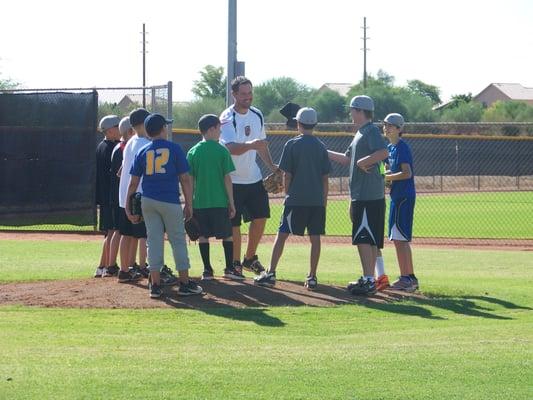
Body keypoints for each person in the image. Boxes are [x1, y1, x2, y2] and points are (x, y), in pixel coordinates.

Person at [126, 113, 203, 298]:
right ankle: (184, 284)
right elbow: (185, 178)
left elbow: (133, 183)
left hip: (148, 201)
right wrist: (189, 204)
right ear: (163, 129)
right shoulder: (174, 149)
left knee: (153, 241)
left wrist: (129, 207)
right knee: (177, 241)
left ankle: (156, 286)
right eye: (165, 126)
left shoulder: (142, 151)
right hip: (169, 201)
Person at [254, 107, 331, 290]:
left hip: (295, 200)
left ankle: (271, 273)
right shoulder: (321, 147)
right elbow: (325, 178)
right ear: (315, 124)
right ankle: (312, 277)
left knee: (282, 236)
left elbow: (286, 175)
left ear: (298, 123)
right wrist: (324, 201)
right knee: (315, 238)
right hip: (316, 202)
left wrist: (286, 193)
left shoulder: (292, 144)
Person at [327, 95, 388, 295]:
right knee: (368, 238)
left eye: (352, 109)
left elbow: (383, 152)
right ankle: (369, 278)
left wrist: (364, 161)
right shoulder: (360, 133)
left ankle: (369, 280)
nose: (350, 113)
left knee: (363, 238)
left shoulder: (370, 130)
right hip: (362, 194)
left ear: (360, 111)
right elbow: (346, 160)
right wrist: (322, 150)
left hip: (368, 195)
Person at [219, 76, 278, 276]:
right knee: (234, 224)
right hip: (232, 180)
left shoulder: (257, 114)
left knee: (261, 217)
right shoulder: (227, 117)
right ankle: (235, 263)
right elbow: (230, 148)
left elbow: (262, 145)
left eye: (250, 93)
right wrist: (251, 145)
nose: (247, 97)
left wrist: (272, 167)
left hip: (253, 177)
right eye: (243, 93)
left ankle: (249, 258)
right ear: (234, 94)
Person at [187, 114, 239, 280]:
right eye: (219, 129)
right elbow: (227, 179)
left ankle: (207, 270)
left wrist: (189, 203)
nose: (220, 132)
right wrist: (231, 203)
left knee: (203, 236)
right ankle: (229, 268)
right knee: (227, 234)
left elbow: (190, 181)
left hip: (200, 203)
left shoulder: (193, 152)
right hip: (219, 202)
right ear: (211, 129)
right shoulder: (222, 150)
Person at [383, 113, 418, 292]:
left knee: (400, 239)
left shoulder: (402, 147)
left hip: (404, 196)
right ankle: (409, 277)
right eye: (385, 124)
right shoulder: (390, 148)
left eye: (390, 125)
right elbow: (390, 171)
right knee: (399, 239)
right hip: (397, 196)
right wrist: (387, 176)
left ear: (399, 129)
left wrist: (387, 177)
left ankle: (406, 278)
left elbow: (407, 173)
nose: (386, 127)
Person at [117, 108, 150, 283]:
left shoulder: (130, 142)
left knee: (127, 233)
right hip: (138, 194)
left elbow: (121, 170)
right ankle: (144, 267)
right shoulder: (143, 143)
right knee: (144, 234)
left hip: (125, 195)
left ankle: (124, 270)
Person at [105, 116, 134, 277]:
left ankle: (117, 265)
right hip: (121, 196)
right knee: (120, 231)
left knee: (119, 231)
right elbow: (120, 174)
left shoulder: (121, 147)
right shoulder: (124, 147)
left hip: (119, 195)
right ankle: (112, 265)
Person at [94, 115, 120, 278]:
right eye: (117, 126)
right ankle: (109, 267)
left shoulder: (101, 146)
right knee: (113, 231)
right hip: (111, 196)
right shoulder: (111, 148)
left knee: (109, 232)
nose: (120, 129)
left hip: (105, 196)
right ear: (110, 130)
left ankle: (102, 267)